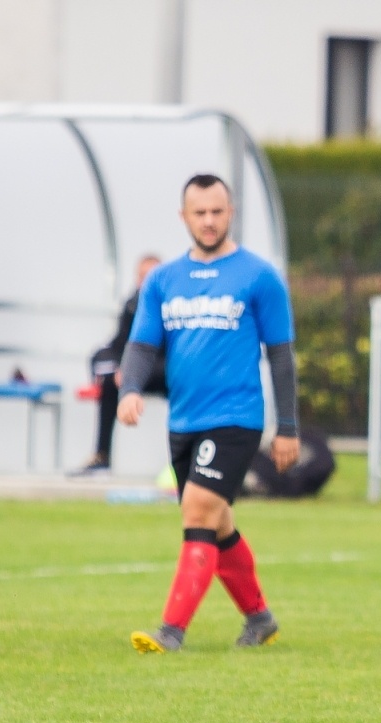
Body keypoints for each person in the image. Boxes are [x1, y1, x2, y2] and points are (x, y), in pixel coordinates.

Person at [118, 174, 300, 652]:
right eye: (199, 213)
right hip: (183, 420)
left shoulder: (259, 276)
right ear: (184, 217)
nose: (208, 220)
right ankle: (259, 619)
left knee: (197, 508)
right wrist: (130, 388)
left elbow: (281, 355)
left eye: (217, 211)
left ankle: (171, 631)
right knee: (215, 521)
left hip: (236, 417)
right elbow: (141, 344)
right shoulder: (162, 279)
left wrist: (288, 427)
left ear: (230, 212)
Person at [71, 254, 163, 476]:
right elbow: (120, 344)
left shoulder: (175, 307)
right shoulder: (132, 306)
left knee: (186, 383)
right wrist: (122, 371)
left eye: (152, 276)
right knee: (110, 384)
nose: (147, 282)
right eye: (143, 276)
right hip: (138, 372)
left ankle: (188, 457)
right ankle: (102, 455)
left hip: (170, 371)